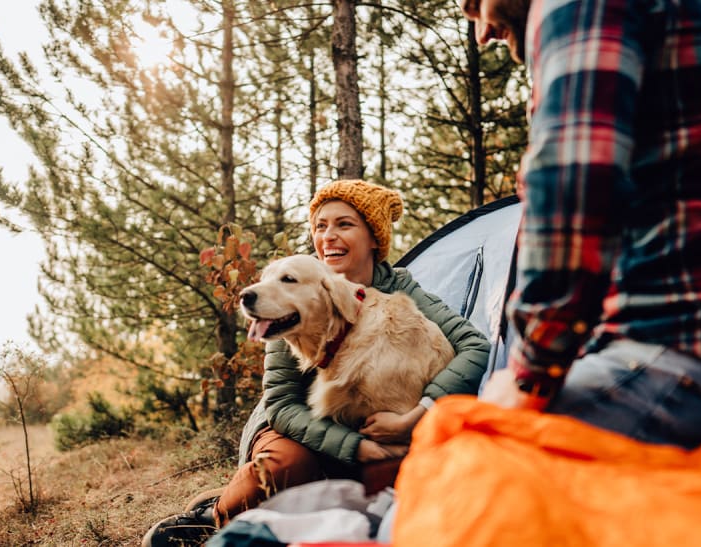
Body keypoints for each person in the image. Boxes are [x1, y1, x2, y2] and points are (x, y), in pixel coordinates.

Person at [460, 0, 701, 447]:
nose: (482, 33)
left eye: (474, 5)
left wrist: (529, 375)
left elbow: (576, 179)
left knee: (467, 460)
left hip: (699, 340)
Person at [142, 179, 491, 545]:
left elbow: (475, 347)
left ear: (373, 238)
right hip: (297, 428)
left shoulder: (402, 291)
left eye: (344, 224)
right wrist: (354, 447)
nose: (329, 236)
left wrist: (415, 416)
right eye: (320, 226)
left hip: (378, 427)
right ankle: (215, 519)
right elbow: (281, 403)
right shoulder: (290, 290)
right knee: (288, 466)